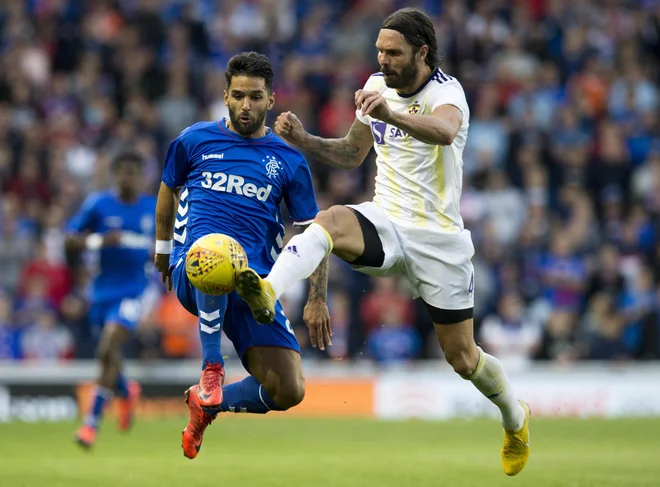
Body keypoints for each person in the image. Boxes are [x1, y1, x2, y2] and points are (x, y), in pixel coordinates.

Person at [236, 8, 531, 476]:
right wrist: (304, 139)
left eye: (393, 52)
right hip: (387, 222)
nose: (383, 60)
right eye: (379, 51)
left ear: (422, 52)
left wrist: (391, 112)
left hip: (439, 242)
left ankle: (515, 419)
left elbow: (445, 131)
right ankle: (269, 291)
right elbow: (352, 154)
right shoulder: (375, 87)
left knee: (463, 357)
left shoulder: (446, 92)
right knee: (330, 220)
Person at [153, 51, 330, 460]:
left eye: (255, 97)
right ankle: (212, 367)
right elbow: (167, 189)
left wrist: (318, 297)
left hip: (255, 285)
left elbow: (313, 232)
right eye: (237, 96)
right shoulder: (194, 139)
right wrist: (163, 249)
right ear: (225, 96)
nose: (245, 105)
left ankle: (207, 404)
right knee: (218, 253)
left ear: (271, 100)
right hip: (193, 266)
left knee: (289, 389)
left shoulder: (288, 160)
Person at [68, 151, 155, 448]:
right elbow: (70, 240)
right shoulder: (99, 205)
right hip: (101, 291)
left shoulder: (152, 208)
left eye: (134, 172)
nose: (128, 177)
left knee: (109, 345)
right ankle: (126, 390)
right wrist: (99, 240)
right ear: (115, 174)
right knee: (107, 355)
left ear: (141, 176)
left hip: (134, 290)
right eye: (123, 172)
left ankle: (90, 425)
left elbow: (167, 246)